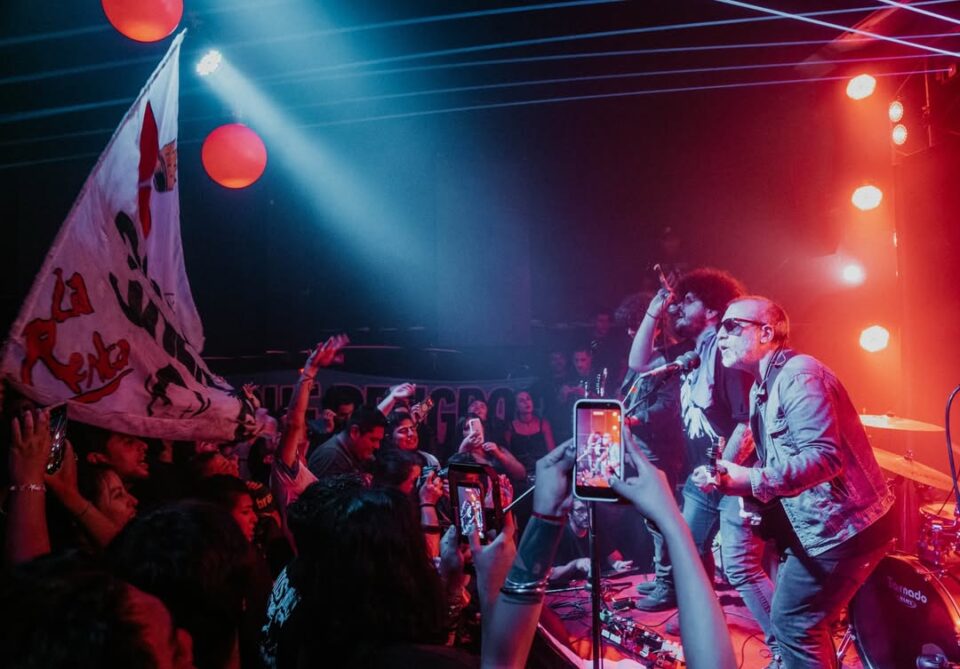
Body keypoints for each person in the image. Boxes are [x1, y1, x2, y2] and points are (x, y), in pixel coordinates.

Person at [697, 296, 895, 669]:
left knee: (794, 623)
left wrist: (751, 480)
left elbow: (824, 458)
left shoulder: (800, 375)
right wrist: (749, 495)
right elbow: (784, 462)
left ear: (766, 333)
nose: (720, 335)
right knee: (800, 624)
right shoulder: (762, 388)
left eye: (732, 327)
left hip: (846, 528)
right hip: (823, 527)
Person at [628, 268, 777, 661]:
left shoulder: (726, 356)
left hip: (736, 475)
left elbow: (747, 424)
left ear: (713, 311)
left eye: (689, 300)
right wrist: (656, 308)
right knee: (690, 553)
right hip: (706, 475)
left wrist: (721, 472)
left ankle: (786, 646)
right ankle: (704, 615)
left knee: (741, 566)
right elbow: (638, 362)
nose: (679, 306)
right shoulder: (692, 354)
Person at [307, 405, 387, 480]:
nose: (377, 446)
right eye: (373, 440)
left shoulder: (351, 452)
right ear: (354, 432)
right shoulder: (332, 457)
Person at [504, 390, 555, 474]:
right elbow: (508, 456)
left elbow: (552, 452)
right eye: (521, 401)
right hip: (520, 472)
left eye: (528, 399)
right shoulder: (510, 427)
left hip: (543, 470)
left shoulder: (543, 424)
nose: (526, 402)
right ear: (516, 407)